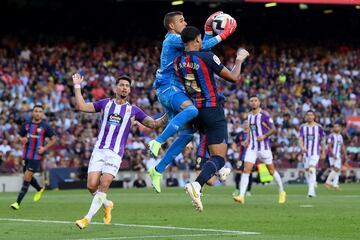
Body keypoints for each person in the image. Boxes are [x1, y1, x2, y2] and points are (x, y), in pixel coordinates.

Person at [148, 11, 236, 193]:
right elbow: (200, 44)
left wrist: (207, 30)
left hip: (178, 90)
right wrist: (223, 34)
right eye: (181, 21)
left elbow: (199, 46)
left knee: (187, 135)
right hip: (168, 86)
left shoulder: (181, 43)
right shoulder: (172, 38)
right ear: (172, 26)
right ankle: (157, 141)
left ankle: (157, 170)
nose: (185, 22)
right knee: (192, 111)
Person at [72, 73, 167, 229]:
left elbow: (154, 124)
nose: (124, 88)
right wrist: (77, 86)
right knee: (91, 186)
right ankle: (107, 204)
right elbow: (82, 106)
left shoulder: (134, 110)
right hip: (99, 150)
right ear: (116, 88)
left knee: (104, 183)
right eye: (122, 85)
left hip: (115, 153)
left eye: (127, 86)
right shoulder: (105, 104)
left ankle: (86, 219)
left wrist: (170, 114)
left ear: (129, 91)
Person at [173, 26, 249, 211]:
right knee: (219, 157)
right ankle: (197, 185)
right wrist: (239, 59)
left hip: (194, 111)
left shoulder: (177, 61)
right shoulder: (206, 57)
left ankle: (219, 172)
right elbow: (232, 77)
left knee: (213, 154)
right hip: (212, 110)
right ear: (198, 40)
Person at [233, 96, 286, 204]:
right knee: (246, 170)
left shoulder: (264, 115)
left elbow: (273, 129)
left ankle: (281, 191)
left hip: (264, 148)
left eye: (255, 100)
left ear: (259, 102)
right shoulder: (249, 116)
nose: (253, 102)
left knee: (271, 171)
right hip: (252, 148)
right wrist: (247, 140)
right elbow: (251, 131)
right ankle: (241, 196)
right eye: (251, 101)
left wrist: (264, 136)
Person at [10, 105, 57, 210]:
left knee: (26, 177)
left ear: (42, 114)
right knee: (27, 176)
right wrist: (22, 139)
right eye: (36, 111)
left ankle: (17, 203)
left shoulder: (45, 126)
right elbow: (19, 136)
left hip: (36, 156)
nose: (38, 113)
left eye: (40, 111)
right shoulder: (26, 125)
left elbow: (54, 139)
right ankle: (39, 188)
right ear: (32, 113)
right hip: (26, 155)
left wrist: (44, 148)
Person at [298, 110, 326, 197]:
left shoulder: (319, 127)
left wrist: (323, 152)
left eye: (311, 115)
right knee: (307, 172)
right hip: (306, 154)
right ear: (306, 117)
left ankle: (310, 192)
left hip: (315, 153)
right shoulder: (302, 127)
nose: (309, 117)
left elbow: (323, 140)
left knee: (311, 169)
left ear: (314, 116)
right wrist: (302, 147)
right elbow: (300, 139)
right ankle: (313, 186)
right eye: (308, 115)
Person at [233, 119, 253, 196]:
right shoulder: (240, 134)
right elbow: (234, 143)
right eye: (244, 123)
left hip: (250, 158)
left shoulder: (252, 134)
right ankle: (237, 189)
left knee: (249, 173)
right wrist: (235, 148)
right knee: (238, 173)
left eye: (247, 123)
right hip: (240, 157)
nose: (246, 124)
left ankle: (248, 191)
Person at [325, 124, 347, 190]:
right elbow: (329, 146)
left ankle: (334, 185)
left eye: (338, 127)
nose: (337, 128)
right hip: (331, 155)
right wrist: (333, 154)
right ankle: (329, 183)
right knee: (336, 169)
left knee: (337, 170)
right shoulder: (331, 136)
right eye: (335, 127)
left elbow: (342, 146)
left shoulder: (340, 136)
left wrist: (345, 154)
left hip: (338, 155)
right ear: (334, 129)